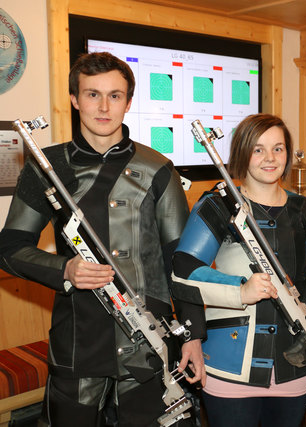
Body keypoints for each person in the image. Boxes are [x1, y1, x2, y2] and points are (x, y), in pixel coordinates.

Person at [0, 52, 204, 425]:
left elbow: (182, 259)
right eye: (93, 94)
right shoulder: (47, 167)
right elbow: (10, 249)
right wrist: (65, 268)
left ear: (128, 101)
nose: (104, 106)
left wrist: (193, 335)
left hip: (149, 342)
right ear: (75, 99)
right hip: (78, 343)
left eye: (115, 95)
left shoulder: (158, 169)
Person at [170, 113, 306, 427]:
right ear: (242, 153)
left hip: (293, 368)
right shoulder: (218, 205)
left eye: (278, 149)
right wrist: (240, 289)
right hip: (229, 367)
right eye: (258, 149)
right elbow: (183, 271)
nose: (269, 158)